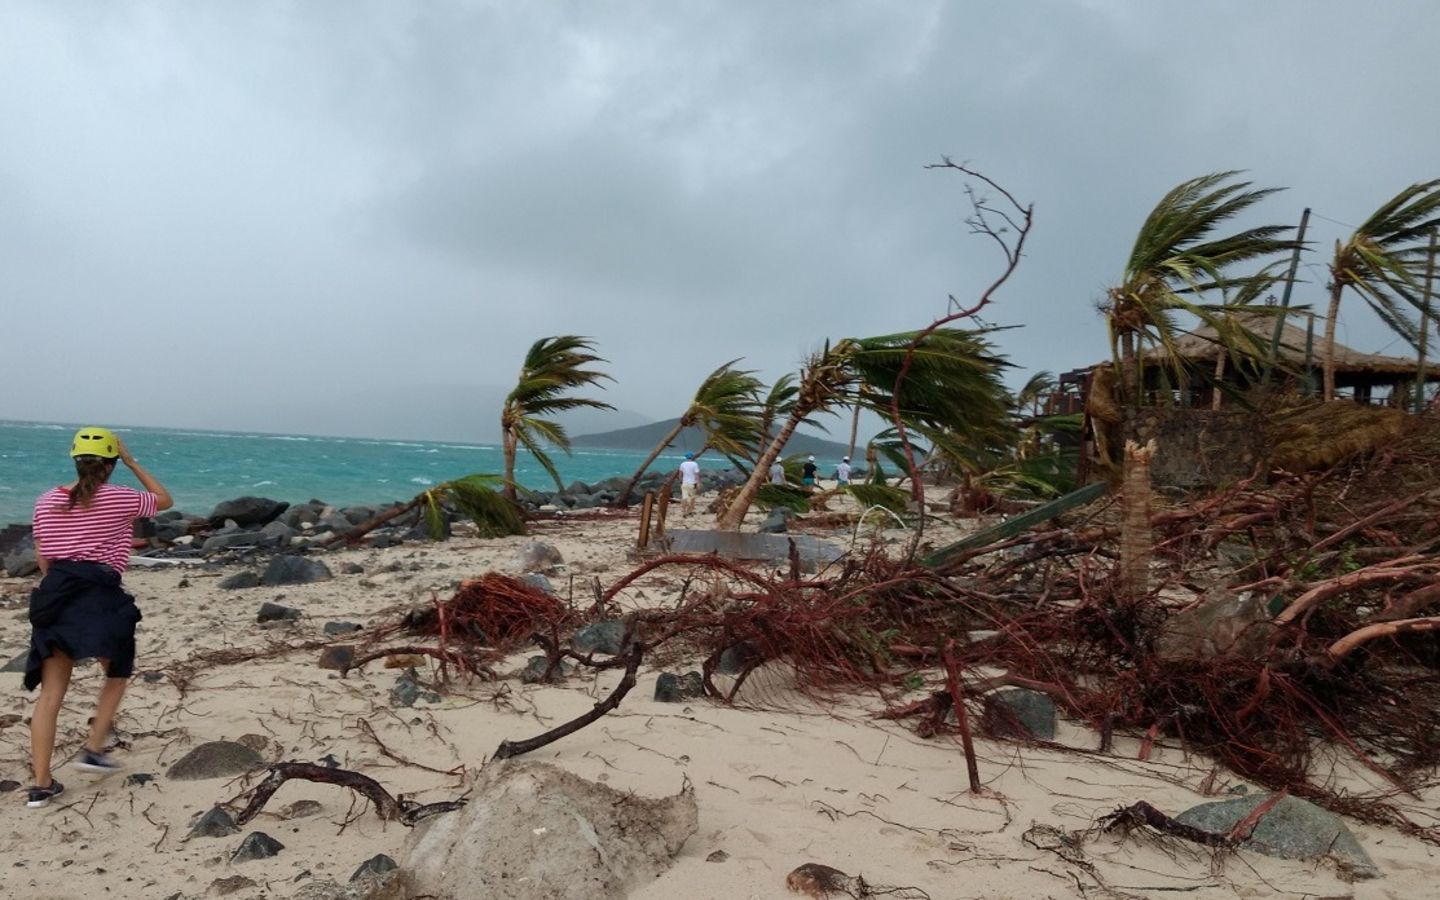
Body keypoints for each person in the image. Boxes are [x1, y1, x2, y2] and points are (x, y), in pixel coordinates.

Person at [24, 427, 172, 808]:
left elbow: (43, 558)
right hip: (100, 593)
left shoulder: (46, 501)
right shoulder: (119, 498)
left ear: (75, 460)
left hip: (55, 593)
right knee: (117, 670)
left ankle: (40, 786)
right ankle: (92, 749)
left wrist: (58, 589)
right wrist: (133, 461)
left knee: (51, 694)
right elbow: (164, 499)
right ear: (110, 464)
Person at [678, 452, 701, 516]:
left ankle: (684, 511)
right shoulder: (695, 464)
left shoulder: (682, 464)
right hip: (692, 484)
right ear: (692, 457)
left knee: (684, 498)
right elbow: (697, 475)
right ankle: (690, 511)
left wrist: (681, 481)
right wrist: (698, 483)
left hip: (684, 483)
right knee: (692, 498)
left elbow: (680, 475)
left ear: (686, 457)